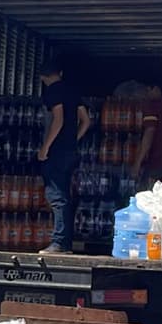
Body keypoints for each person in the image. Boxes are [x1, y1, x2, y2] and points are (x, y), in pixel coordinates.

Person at [37, 60, 93, 254]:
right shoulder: (72, 91)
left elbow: (58, 119)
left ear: (43, 77)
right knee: (65, 196)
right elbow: (86, 120)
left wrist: (46, 147)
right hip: (70, 151)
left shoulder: (52, 91)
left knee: (56, 196)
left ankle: (58, 242)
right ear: (59, 72)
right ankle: (66, 243)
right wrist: (73, 139)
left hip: (57, 152)